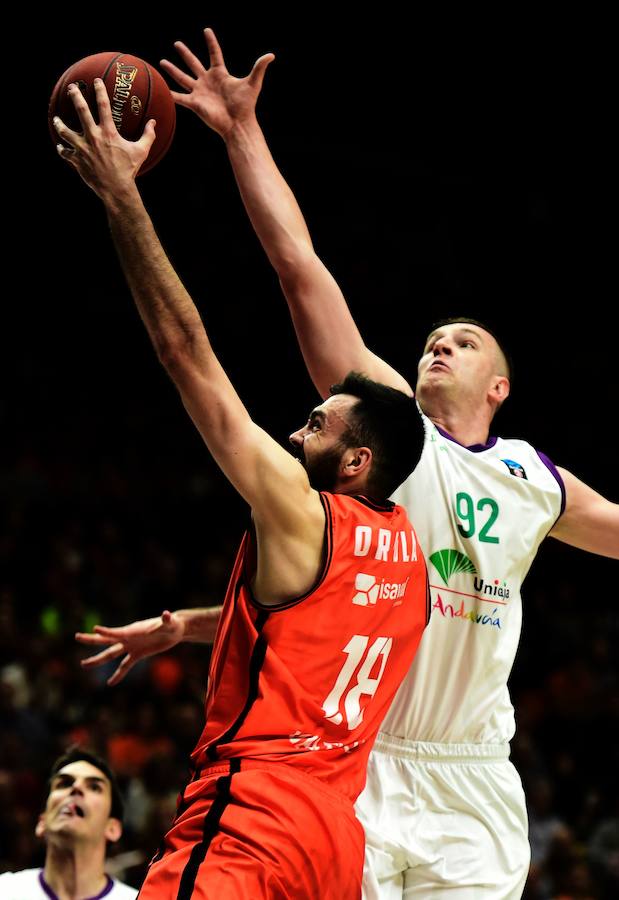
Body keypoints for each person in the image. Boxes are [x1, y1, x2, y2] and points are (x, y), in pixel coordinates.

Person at [78, 28, 617, 900]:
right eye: (431, 338)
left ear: (501, 385)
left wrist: (185, 624)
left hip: (472, 773)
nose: (440, 345)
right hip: (353, 765)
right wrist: (242, 132)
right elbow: (299, 269)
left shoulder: (535, 479)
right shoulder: (389, 429)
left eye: (464, 341)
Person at [54, 78, 430, 899]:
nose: (295, 434)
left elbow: (186, 353)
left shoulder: (303, 510)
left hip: (247, 822)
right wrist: (188, 626)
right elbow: (308, 627)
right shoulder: (409, 558)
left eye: (315, 426)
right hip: (333, 846)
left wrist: (121, 196)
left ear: (356, 463)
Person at [0, 746, 137, 899]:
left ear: (112, 828)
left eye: (94, 787)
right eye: (64, 784)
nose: (76, 787)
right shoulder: (4, 890)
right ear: (42, 823)